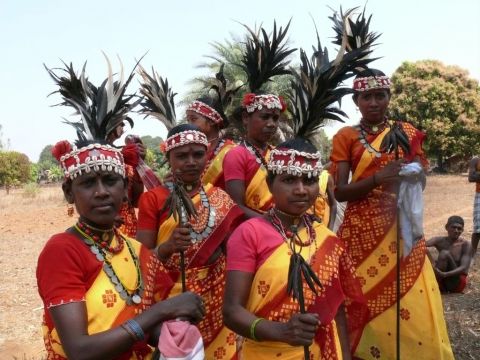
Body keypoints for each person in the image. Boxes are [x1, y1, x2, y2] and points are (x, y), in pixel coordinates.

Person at [36, 138, 205, 359]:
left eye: (110, 180)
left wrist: (178, 327)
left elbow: (147, 327)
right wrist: (164, 311)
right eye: (88, 183)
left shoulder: (137, 251)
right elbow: (79, 350)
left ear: (125, 188)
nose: (101, 192)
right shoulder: (62, 250)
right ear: (69, 192)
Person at [331, 68, 454, 359]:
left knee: (410, 299)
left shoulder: (406, 132)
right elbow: (339, 192)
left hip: (400, 230)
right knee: (361, 298)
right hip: (360, 234)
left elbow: (419, 181)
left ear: (389, 97)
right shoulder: (345, 136)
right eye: (366, 97)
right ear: (356, 100)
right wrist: (378, 178)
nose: (374, 103)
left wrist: (414, 175)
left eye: (380, 95)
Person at [223, 138, 367, 359]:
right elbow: (232, 313)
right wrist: (281, 331)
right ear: (270, 185)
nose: (300, 190)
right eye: (289, 179)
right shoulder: (249, 233)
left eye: (309, 180)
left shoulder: (327, 238)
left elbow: (337, 310)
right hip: (266, 353)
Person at [136, 124, 244, 359]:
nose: (191, 162)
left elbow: (232, 254)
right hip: (171, 298)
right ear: (169, 158)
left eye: (198, 154)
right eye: (182, 156)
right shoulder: (152, 200)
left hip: (215, 298)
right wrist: (167, 247)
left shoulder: (219, 197)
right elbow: (139, 261)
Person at [222, 21, 294, 218]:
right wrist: (273, 222)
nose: (271, 123)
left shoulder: (277, 153)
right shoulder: (237, 155)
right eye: (264, 117)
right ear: (246, 118)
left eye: (275, 118)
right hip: (253, 233)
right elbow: (235, 208)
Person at [186, 94, 236, 189]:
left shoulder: (231, 151)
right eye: (188, 120)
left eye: (193, 119)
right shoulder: (191, 152)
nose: (189, 125)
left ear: (212, 121)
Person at [426, 216, 472, 293]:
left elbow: (464, 268)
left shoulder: (466, 244)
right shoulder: (439, 240)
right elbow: (421, 245)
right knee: (423, 250)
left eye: (459, 228)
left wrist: (445, 274)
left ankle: (434, 286)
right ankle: (435, 286)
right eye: (453, 227)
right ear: (446, 227)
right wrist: (433, 263)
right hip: (441, 278)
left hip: (456, 282)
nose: (456, 231)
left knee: (444, 253)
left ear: (462, 230)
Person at [468, 156, 480, 255]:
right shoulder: (475, 160)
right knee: (478, 227)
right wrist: (475, 175)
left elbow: (475, 175)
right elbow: (471, 177)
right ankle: (472, 254)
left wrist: (477, 174)